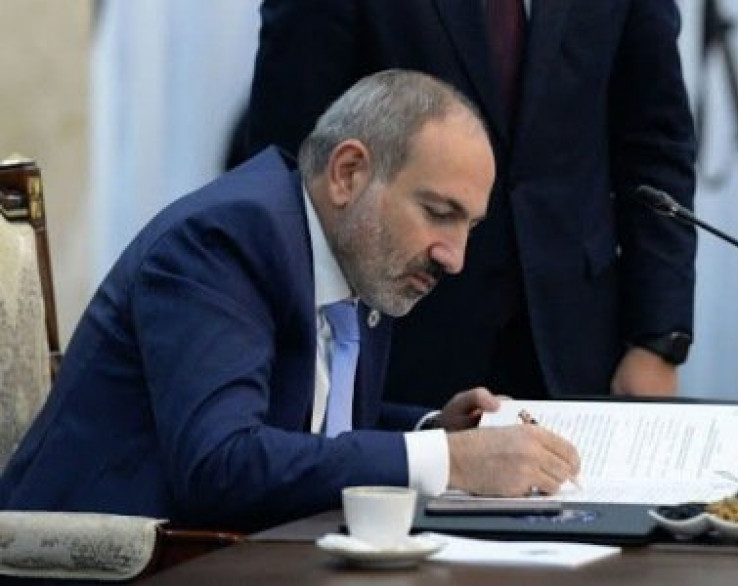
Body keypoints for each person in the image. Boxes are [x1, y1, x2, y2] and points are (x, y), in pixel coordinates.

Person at [0, 70, 579, 532]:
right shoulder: (223, 243)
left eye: (469, 226)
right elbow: (221, 464)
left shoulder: (358, 247)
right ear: (348, 173)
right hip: (101, 563)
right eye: (438, 212)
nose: (454, 257)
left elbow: (310, 424)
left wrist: (437, 432)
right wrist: (453, 464)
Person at [236, 0, 697, 407]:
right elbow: (295, 155)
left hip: (575, 344)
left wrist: (658, 340)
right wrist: (293, 338)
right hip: (392, 341)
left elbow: (656, 145)